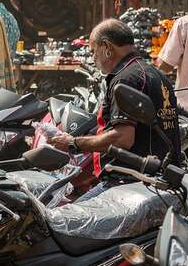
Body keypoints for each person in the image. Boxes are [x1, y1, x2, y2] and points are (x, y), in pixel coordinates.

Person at [49, 19, 181, 164]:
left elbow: (123, 138)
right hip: (160, 169)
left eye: (94, 51)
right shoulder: (155, 74)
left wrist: (74, 143)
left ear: (107, 47)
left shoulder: (125, 79)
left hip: (130, 174)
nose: (93, 58)